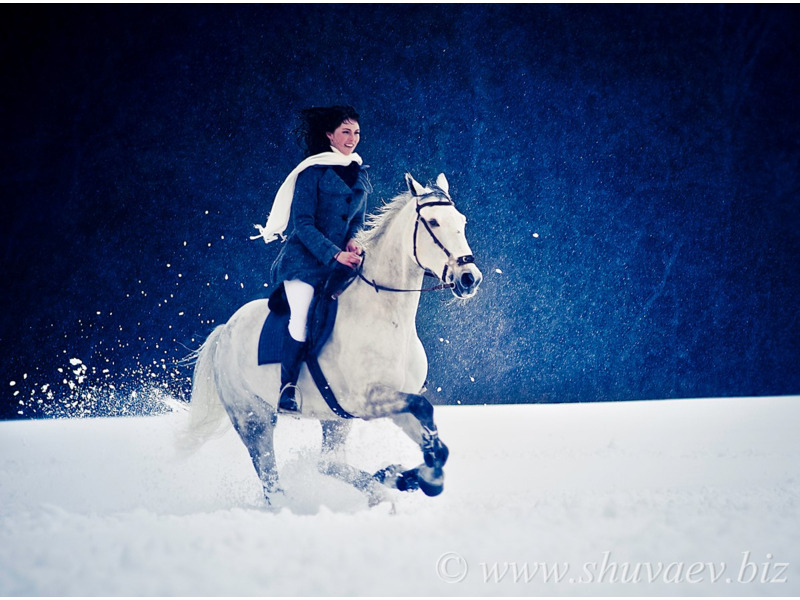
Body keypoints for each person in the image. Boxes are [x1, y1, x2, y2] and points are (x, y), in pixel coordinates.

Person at [252, 105, 371, 413]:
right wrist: (335, 253)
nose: (352, 138)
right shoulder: (311, 172)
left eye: (356, 132)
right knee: (301, 315)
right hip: (303, 263)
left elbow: (355, 221)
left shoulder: (359, 171)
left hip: (342, 261)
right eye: (345, 132)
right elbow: (303, 224)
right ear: (329, 134)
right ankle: (287, 389)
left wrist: (354, 241)